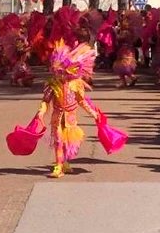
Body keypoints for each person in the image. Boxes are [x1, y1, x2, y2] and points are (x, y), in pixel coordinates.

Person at [28, 42, 109, 178]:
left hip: (71, 118)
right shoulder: (52, 84)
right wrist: (41, 112)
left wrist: (93, 113)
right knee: (58, 140)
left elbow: (82, 101)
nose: (60, 75)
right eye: (57, 72)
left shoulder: (76, 84)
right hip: (57, 117)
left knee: (67, 142)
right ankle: (58, 166)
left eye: (62, 72)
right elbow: (45, 101)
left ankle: (65, 162)